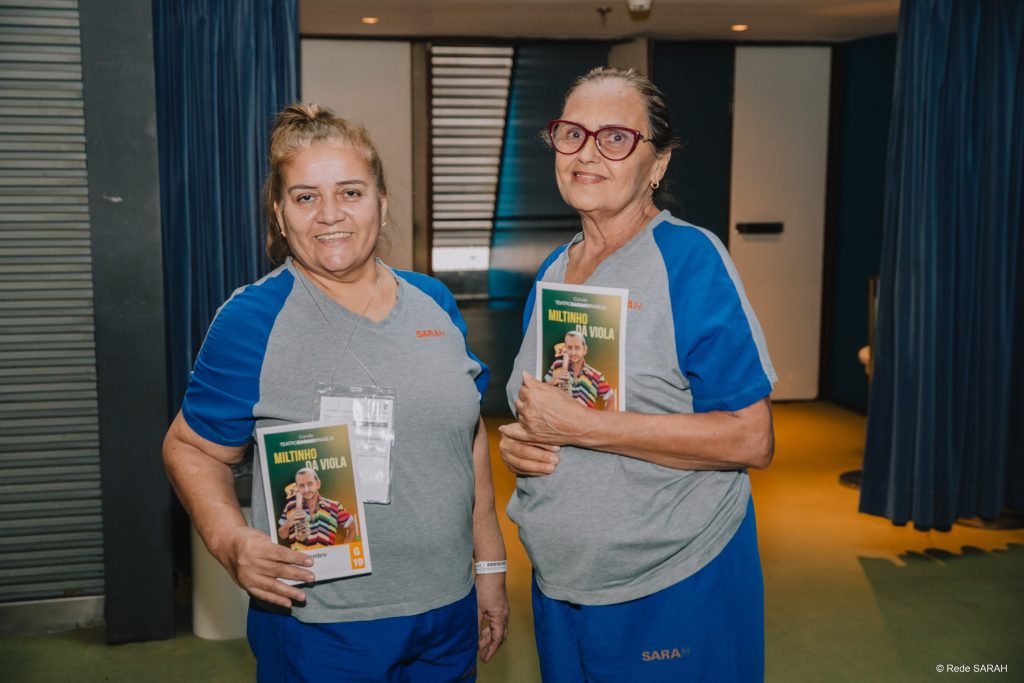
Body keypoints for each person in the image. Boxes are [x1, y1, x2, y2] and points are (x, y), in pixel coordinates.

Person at [163, 103, 508, 681]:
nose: (330, 214)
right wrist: (230, 540)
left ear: (382, 202)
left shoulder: (434, 303)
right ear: (280, 215)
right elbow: (190, 448)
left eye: (350, 192)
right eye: (306, 197)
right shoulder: (251, 319)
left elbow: (467, 436)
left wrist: (490, 565)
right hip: (320, 621)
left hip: (446, 608)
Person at [499, 67, 776, 682]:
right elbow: (550, 407)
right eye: (572, 134)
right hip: (561, 582)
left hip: (670, 581)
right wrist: (523, 444)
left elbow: (750, 438)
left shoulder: (689, 259)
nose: (586, 153)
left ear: (658, 164)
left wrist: (581, 427)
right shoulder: (554, 270)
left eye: (616, 138)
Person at [277, 467, 355, 549]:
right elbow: (282, 535)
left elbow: (352, 528)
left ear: (318, 484)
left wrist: (344, 550)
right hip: (299, 557)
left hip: (327, 557)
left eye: (310, 484)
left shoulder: (335, 506)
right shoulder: (290, 506)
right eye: (302, 486)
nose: (306, 490)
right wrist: (287, 524)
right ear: (297, 487)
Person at [544, 331, 616, 409]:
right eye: (569, 347)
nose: (573, 353)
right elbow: (541, 391)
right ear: (565, 348)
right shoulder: (556, 365)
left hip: (583, 417)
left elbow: (612, 399)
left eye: (577, 348)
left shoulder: (596, 376)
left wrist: (600, 417)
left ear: (585, 350)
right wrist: (551, 382)